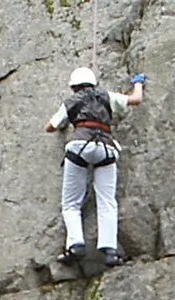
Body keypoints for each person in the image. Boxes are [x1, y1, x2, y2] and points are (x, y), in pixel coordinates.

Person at [45, 66, 146, 268]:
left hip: (79, 147)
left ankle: (75, 245)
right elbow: (136, 100)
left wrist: (67, 122)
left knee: (71, 204)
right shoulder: (106, 96)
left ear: (74, 86)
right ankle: (110, 251)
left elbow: (50, 127)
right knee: (107, 201)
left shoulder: (72, 101)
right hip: (105, 148)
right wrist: (138, 83)